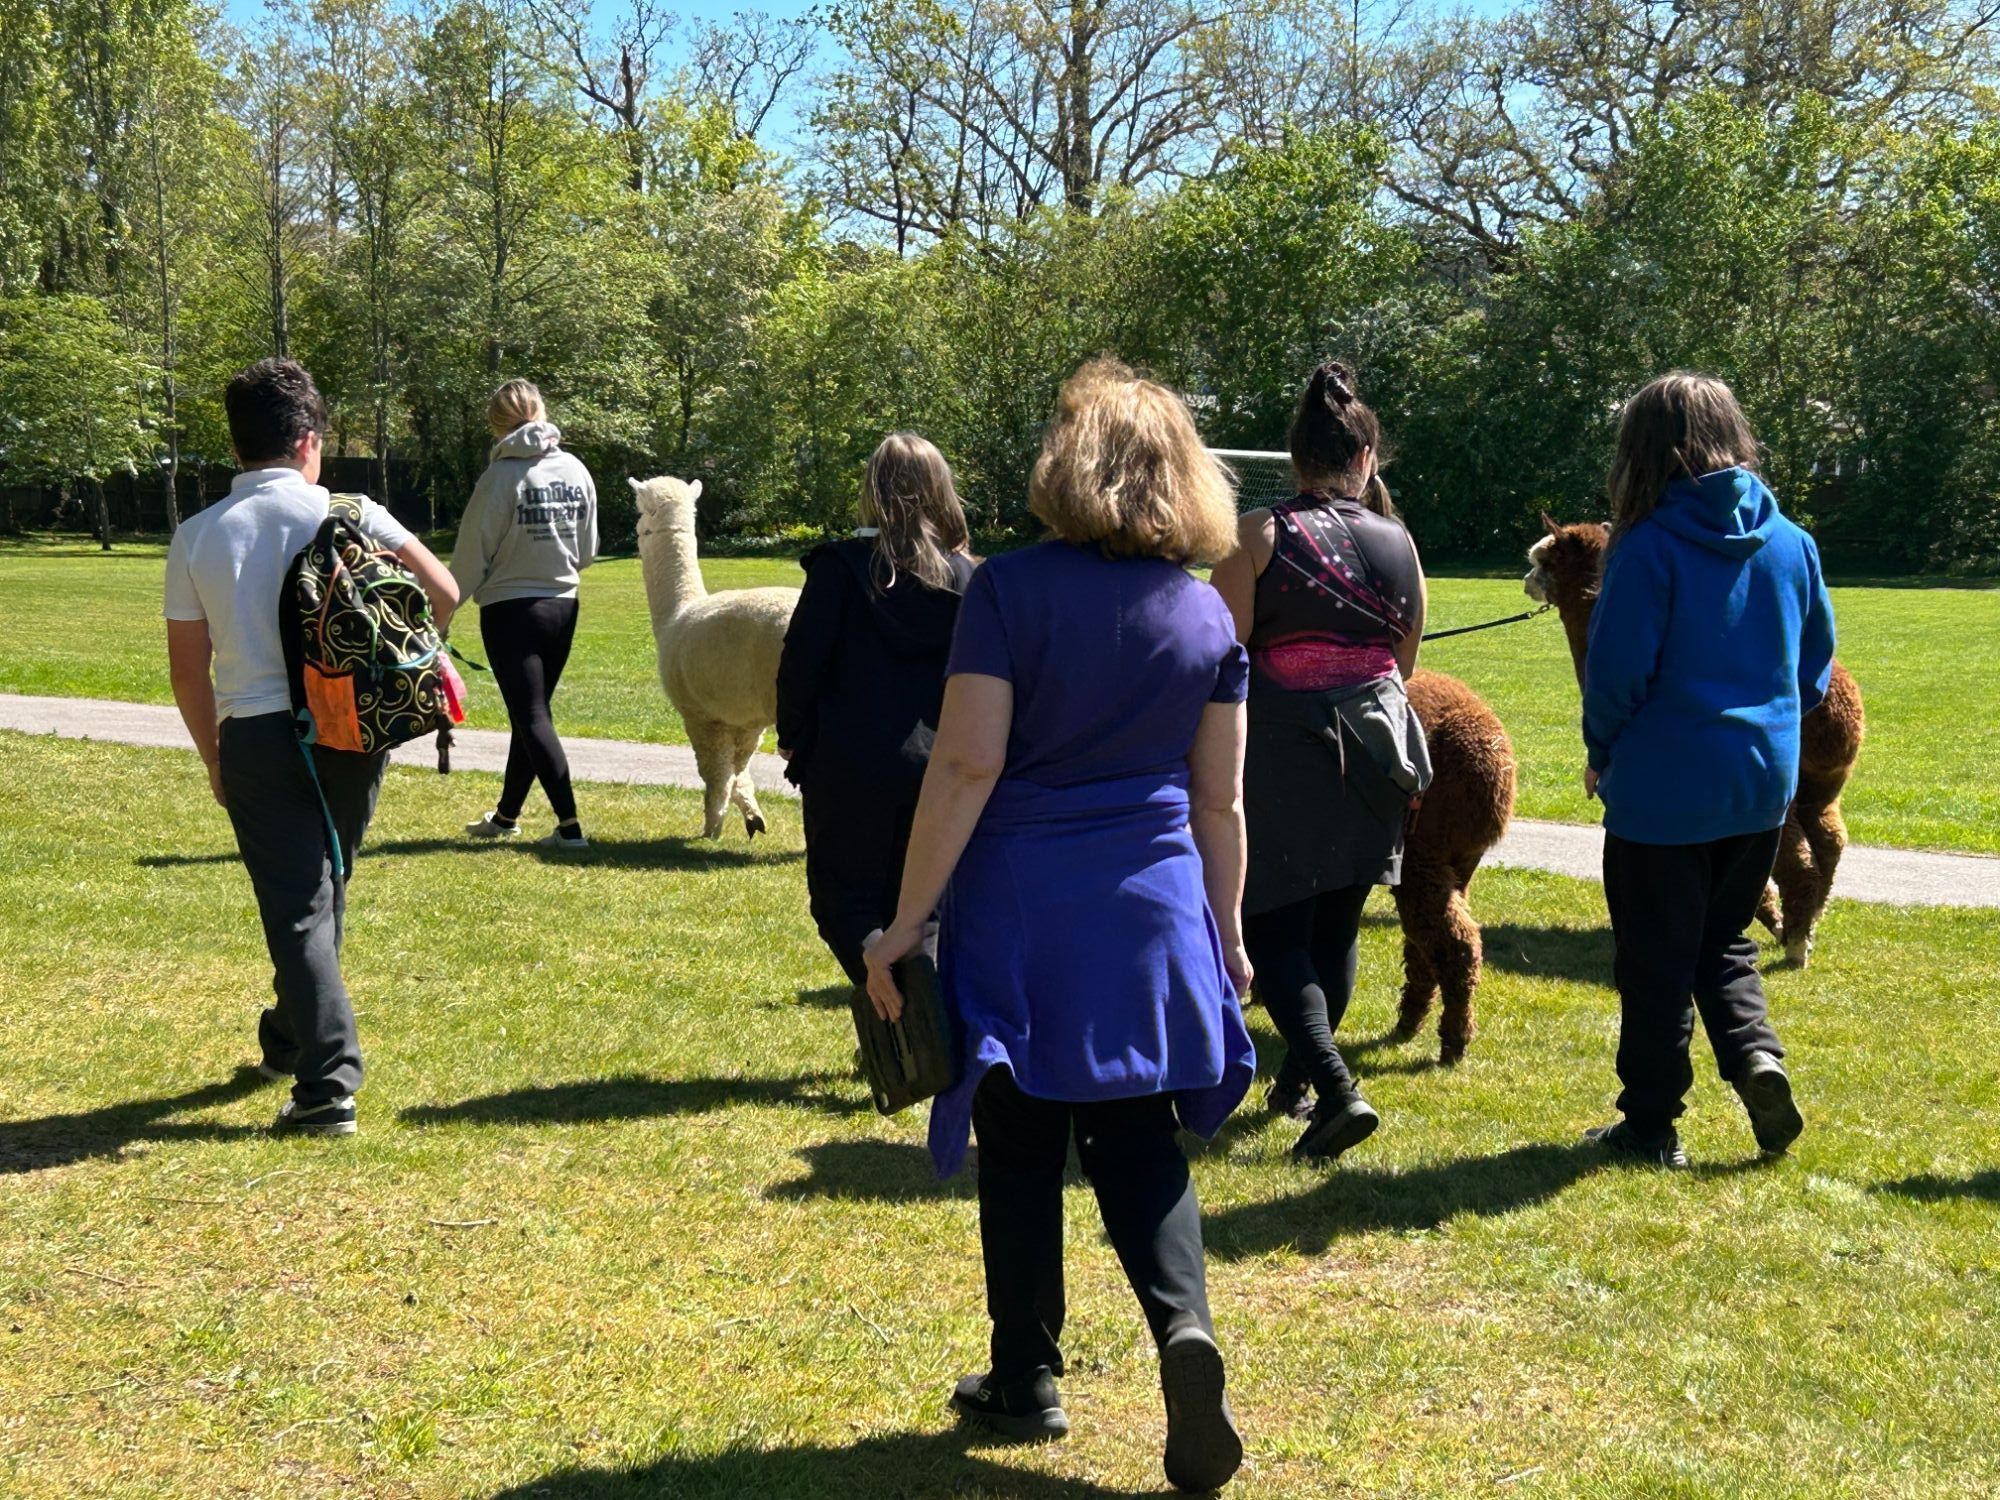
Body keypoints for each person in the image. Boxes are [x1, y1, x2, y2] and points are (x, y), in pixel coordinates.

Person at [865, 359, 1254, 1494]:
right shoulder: (1204, 610)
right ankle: (1181, 1326)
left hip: (1025, 903)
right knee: (1138, 1140)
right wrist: (1226, 933)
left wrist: (903, 922)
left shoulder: (1008, 592)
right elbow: (1221, 798)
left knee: (1022, 1141)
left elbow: (968, 759)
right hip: (1154, 902)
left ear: (1063, 466)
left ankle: (1025, 1378)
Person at [164, 358, 458, 1136]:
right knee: (322, 889)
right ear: (307, 442)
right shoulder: (356, 510)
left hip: (255, 731)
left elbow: (187, 672)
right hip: (351, 724)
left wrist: (213, 760)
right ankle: (288, 1037)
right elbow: (447, 592)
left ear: (239, 447)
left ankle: (327, 1086)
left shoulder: (196, 536)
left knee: (299, 903)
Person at [1579, 372, 1831, 1167]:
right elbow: (1815, 669)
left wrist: (1601, 749)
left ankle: (1650, 1127)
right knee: (1721, 941)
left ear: (1641, 452)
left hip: (1663, 786)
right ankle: (1758, 1057)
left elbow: (1617, 672)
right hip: (1759, 783)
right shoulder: (1792, 541)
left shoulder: (1647, 546)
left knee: (1654, 959)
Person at [1210, 362, 1430, 1163]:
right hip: (1376, 750)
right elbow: (1399, 661)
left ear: (1295, 457)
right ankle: (1305, 1082)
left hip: (1278, 746)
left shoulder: (1259, 533)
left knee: (1273, 927)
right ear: (1366, 458)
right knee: (1336, 924)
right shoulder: (1399, 542)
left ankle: (1335, 1087)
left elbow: (1221, 659)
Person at [774, 433, 976, 984]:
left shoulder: (840, 568)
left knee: (846, 906)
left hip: (850, 763)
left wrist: (791, 734)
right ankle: (916, 1036)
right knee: (923, 909)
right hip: (942, 768)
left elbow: (802, 661)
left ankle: (903, 1020)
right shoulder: (969, 581)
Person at [452, 378, 599, 848]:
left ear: (496, 426)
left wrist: (442, 609)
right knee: (531, 714)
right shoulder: (575, 469)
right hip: (564, 605)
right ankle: (506, 816)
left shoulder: (500, 477)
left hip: (510, 609)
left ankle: (570, 828)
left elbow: (471, 555)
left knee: (532, 714)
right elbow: (589, 548)